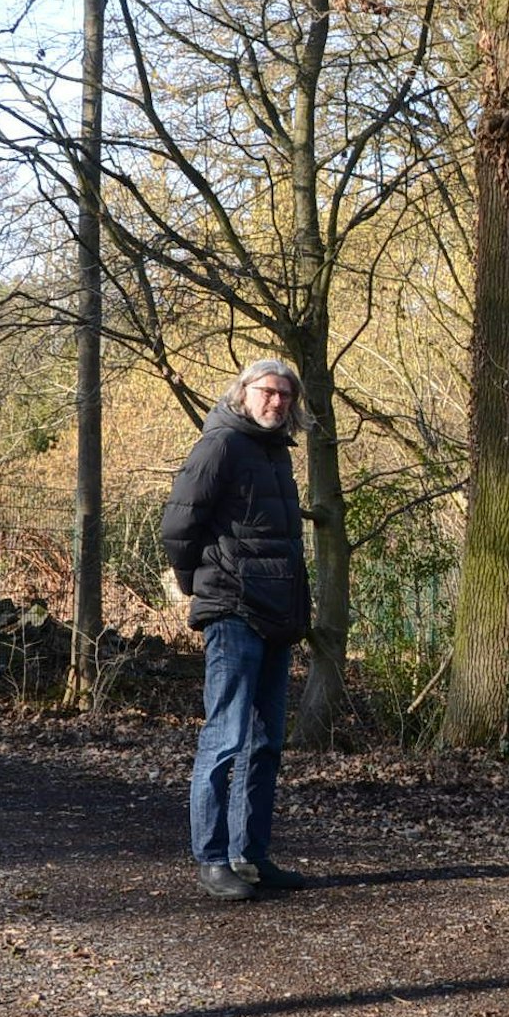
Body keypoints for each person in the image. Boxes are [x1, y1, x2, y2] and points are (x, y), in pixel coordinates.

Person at [161, 359, 313, 901]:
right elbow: (178, 526)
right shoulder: (220, 444)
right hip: (233, 610)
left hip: (278, 612)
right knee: (225, 737)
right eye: (269, 392)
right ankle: (212, 858)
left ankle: (251, 855)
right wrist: (198, 584)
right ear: (244, 392)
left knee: (266, 741)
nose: (278, 403)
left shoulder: (275, 452)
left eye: (287, 396)